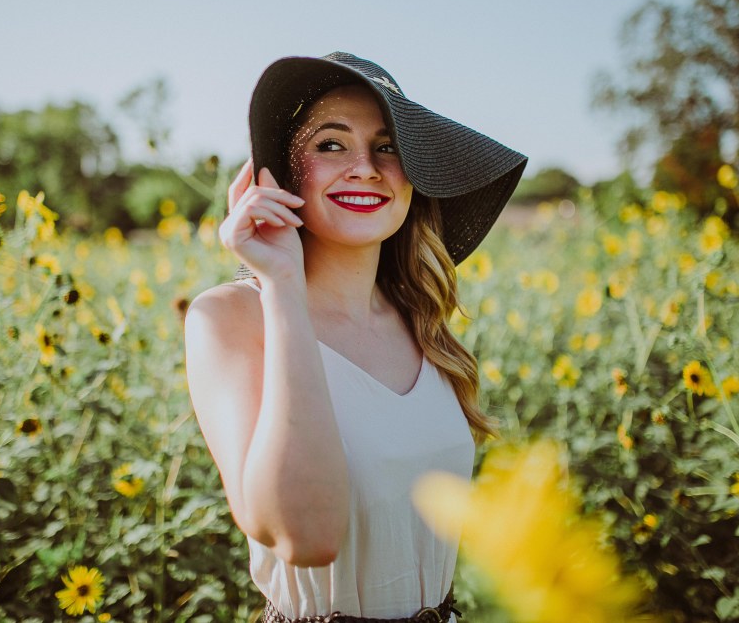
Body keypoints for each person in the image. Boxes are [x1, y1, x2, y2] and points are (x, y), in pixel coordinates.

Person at [184, 52, 527, 622]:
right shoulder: (229, 319)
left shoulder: (420, 320)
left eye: (388, 147)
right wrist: (283, 286)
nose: (366, 167)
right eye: (331, 144)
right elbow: (305, 538)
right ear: (278, 175)